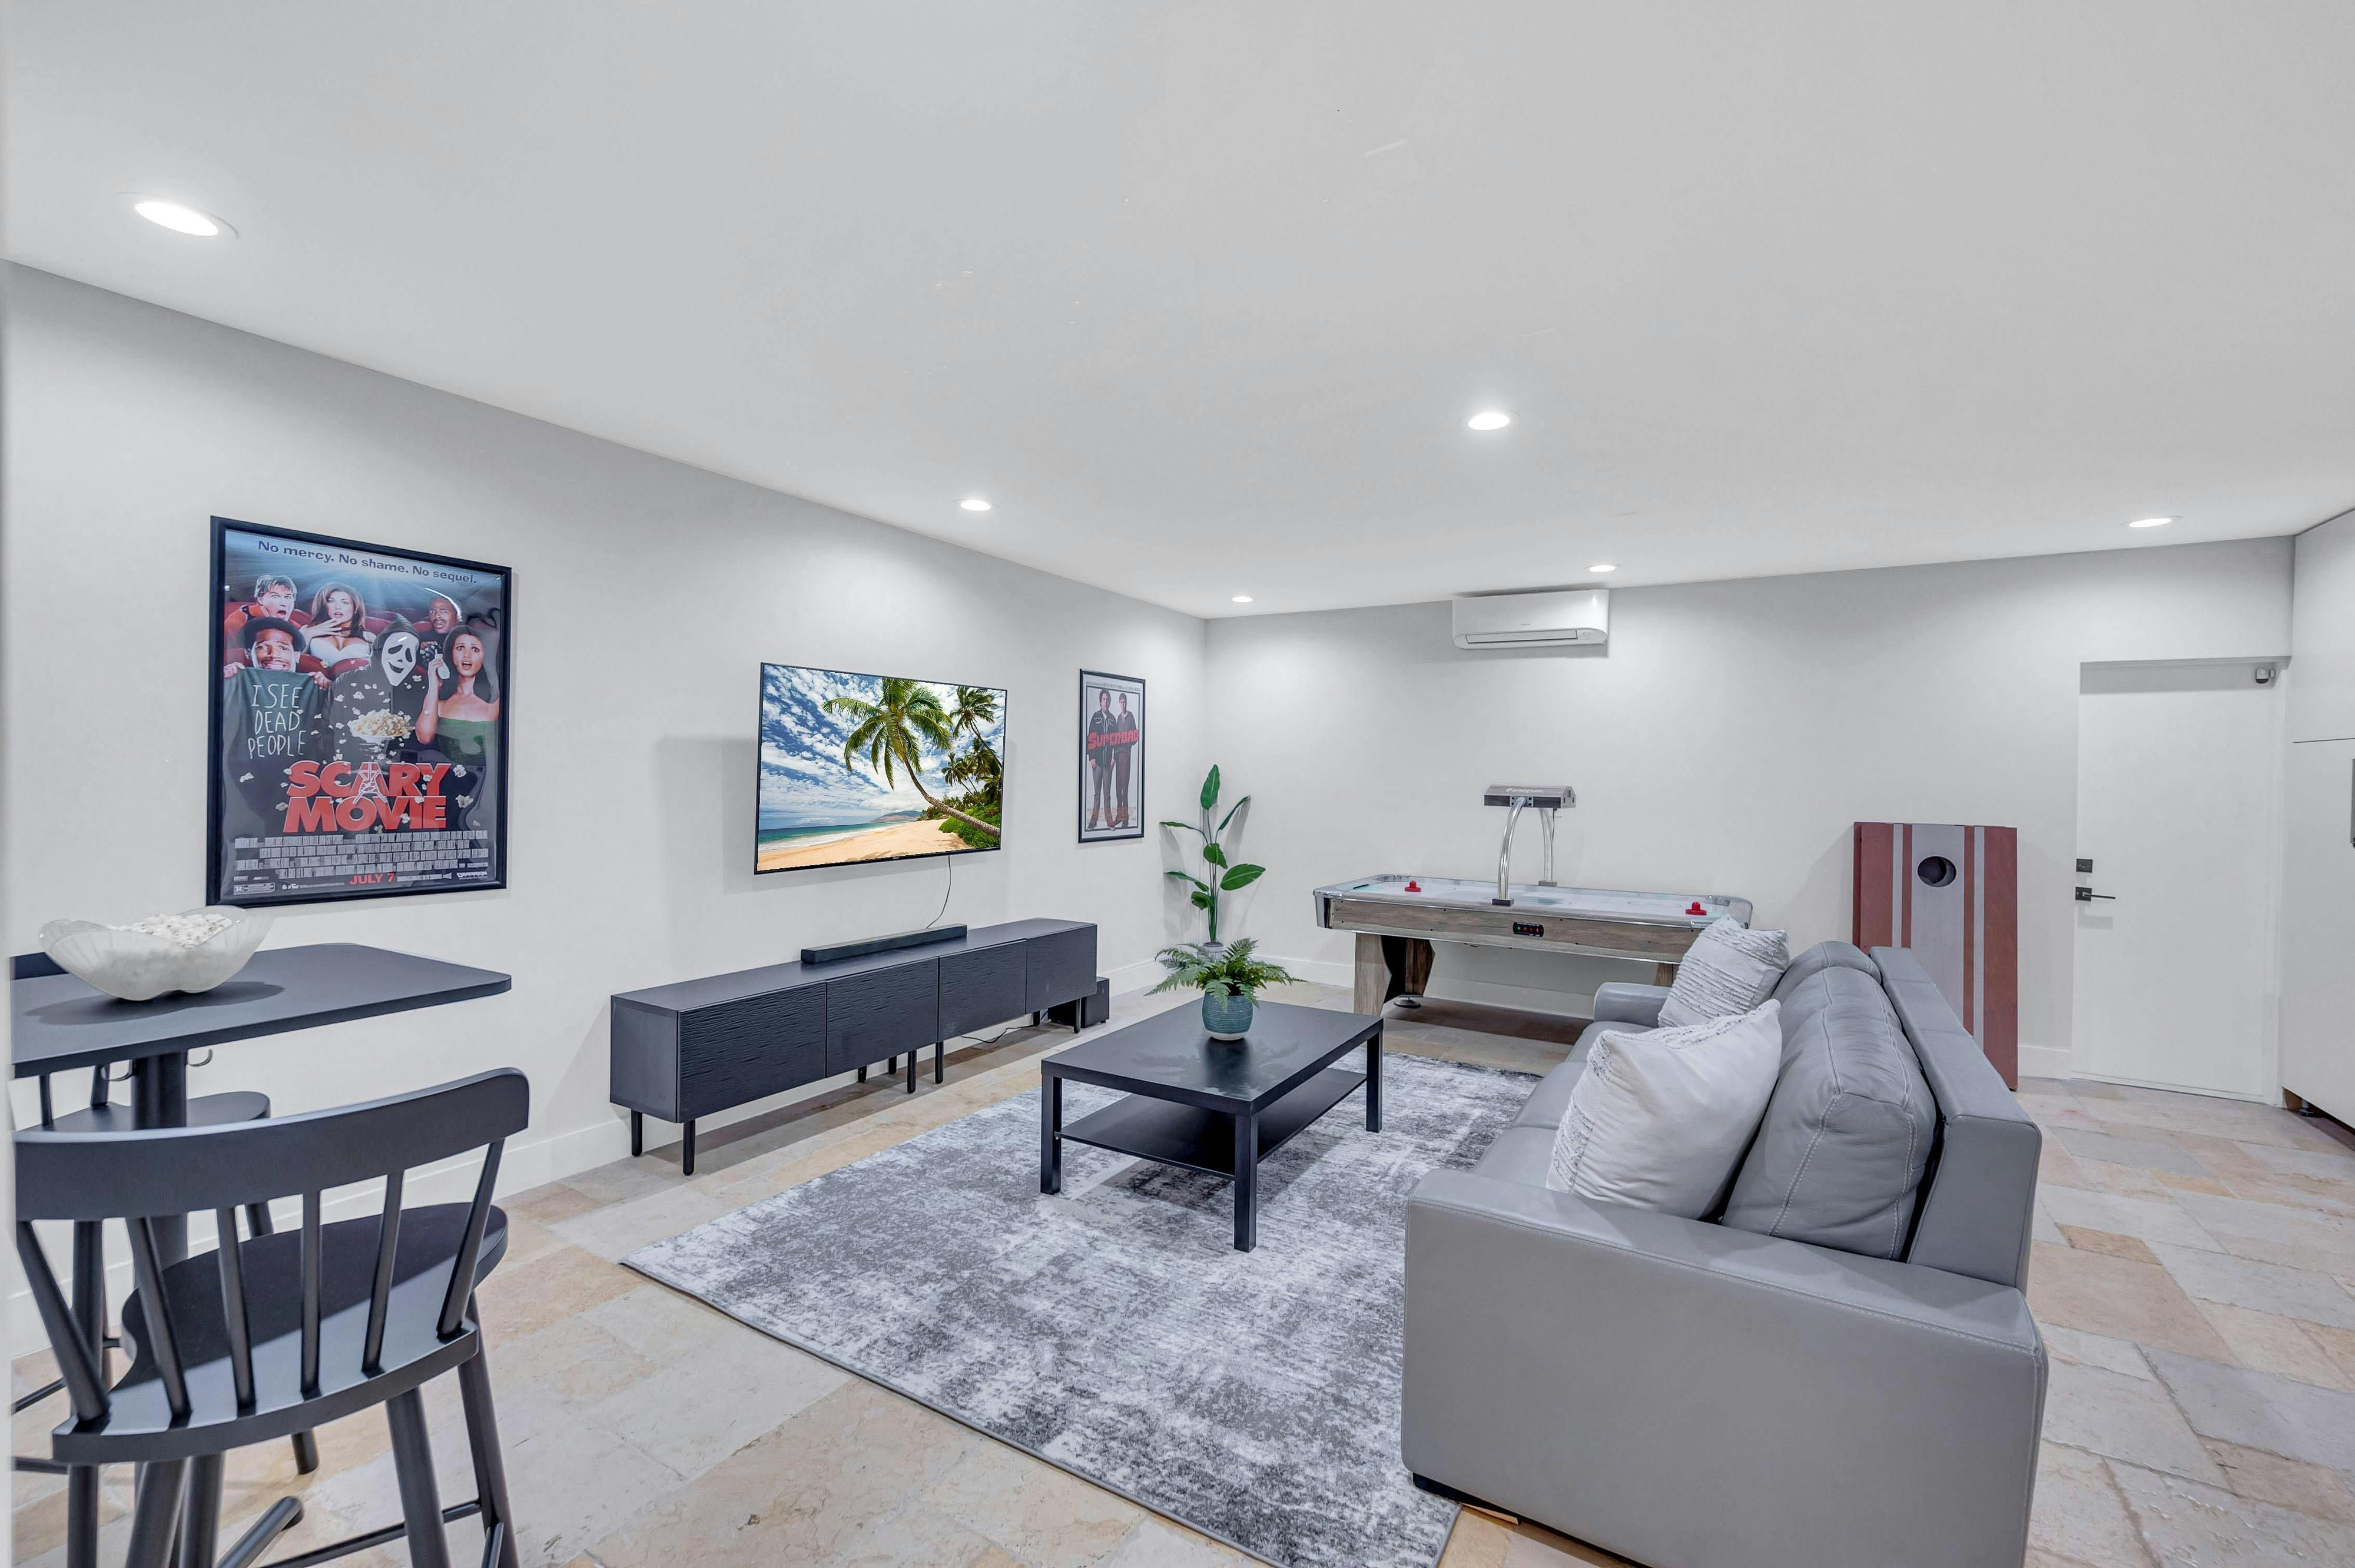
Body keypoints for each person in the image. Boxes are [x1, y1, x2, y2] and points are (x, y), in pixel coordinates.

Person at [218, 617, 331, 845]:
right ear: (249, 654)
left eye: (283, 648)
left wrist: (329, 689)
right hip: (244, 792)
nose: (273, 655)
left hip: (299, 793)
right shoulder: (233, 680)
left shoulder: (318, 686)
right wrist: (223, 682)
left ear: (297, 656)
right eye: (263, 647)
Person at [417, 628, 500, 835]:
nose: (467, 655)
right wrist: (433, 685)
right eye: (461, 648)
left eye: (475, 649)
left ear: (485, 656)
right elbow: (424, 737)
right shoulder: (441, 701)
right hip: (444, 792)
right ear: (450, 653)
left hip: (487, 792)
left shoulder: (496, 698)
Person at [302, 582, 376, 672]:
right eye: (331, 601)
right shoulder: (308, 630)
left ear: (355, 608)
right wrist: (310, 633)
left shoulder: (369, 638)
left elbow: (378, 671)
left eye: (345, 603)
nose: (338, 607)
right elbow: (292, 662)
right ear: (324, 605)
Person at [223, 573, 309, 647]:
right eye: (275, 597)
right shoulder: (238, 621)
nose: (284, 603)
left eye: (288, 597)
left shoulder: (297, 627)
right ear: (261, 599)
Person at [1085, 687, 1116, 830]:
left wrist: (1114, 758)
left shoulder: (1112, 719)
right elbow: (1090, 738)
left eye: (1107, 699)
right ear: (1100, 702)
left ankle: (1110, 822)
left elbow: (1117, 741)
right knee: (1097, 793)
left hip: (1108, 763)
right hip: (1097, 763)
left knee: (1107, 794)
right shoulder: (1096, 718)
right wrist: (1091, 758)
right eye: (1104, 699)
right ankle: (1093, 822)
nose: (1106, 702)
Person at [1109, 692, 1139, 829]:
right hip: (1118, 755)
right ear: (1119, 703)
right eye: (1121, 702)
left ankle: (1125, 818)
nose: (1123, 704)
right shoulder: (1118, 719)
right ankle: (1119, 816)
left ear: (1127, 703)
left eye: (1125, 702)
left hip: (1126, 755)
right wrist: (1114, 758)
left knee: (1124, 788)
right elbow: (1115, 741)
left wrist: (1127, 744)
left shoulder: (1130, 717)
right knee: (1118, 787)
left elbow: (1135, 736)